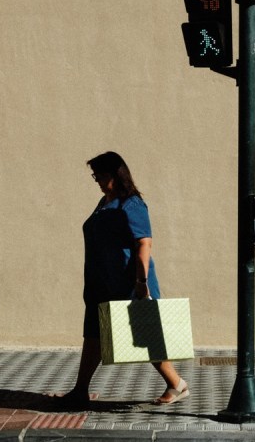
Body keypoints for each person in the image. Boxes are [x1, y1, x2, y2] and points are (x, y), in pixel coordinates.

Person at [57, 151, 188, 407]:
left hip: (127, 283)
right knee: (93, 334)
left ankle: (177, 384)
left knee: (145, 335)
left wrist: (141, 283)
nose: (96, 179)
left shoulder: (132, 204)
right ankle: (80, 390)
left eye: (100, 175)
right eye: (94, 175)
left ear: (116, 175)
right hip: (100, 282)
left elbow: (144, 243)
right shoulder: (104, 202)